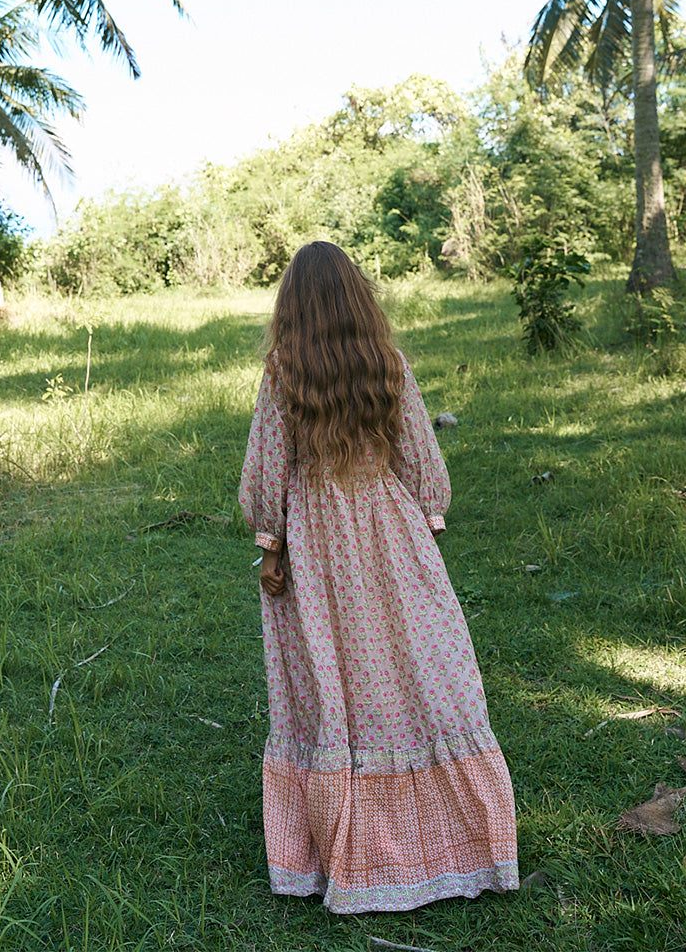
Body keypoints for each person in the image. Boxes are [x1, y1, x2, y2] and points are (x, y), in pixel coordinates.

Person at [239, 241, 519, 915]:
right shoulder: (387, 362)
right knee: (413, 664)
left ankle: (347, 836)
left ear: (292, 305)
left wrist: (271, 546)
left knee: (331, 674)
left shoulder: (283, 371)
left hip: (317, 541)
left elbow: (269, 467)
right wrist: (424, 523)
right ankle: (455, 839)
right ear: (357, 297)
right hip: (390, 528)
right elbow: (418, 455)